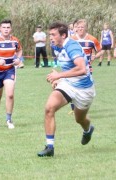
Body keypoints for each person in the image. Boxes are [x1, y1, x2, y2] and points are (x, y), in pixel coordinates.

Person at [37, 22, 95, 157]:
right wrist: (60, 79)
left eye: (53, 35)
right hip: (68, 84)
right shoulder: (55, 46)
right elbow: (67, 66)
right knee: (49, 108)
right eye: (49, 34)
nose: (50, 37)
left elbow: (82, 69)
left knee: (80, 119)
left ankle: (88, 129)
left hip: (84, 90)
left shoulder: (72, 46)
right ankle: (49, 147)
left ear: (63, 35)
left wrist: (59, 75)